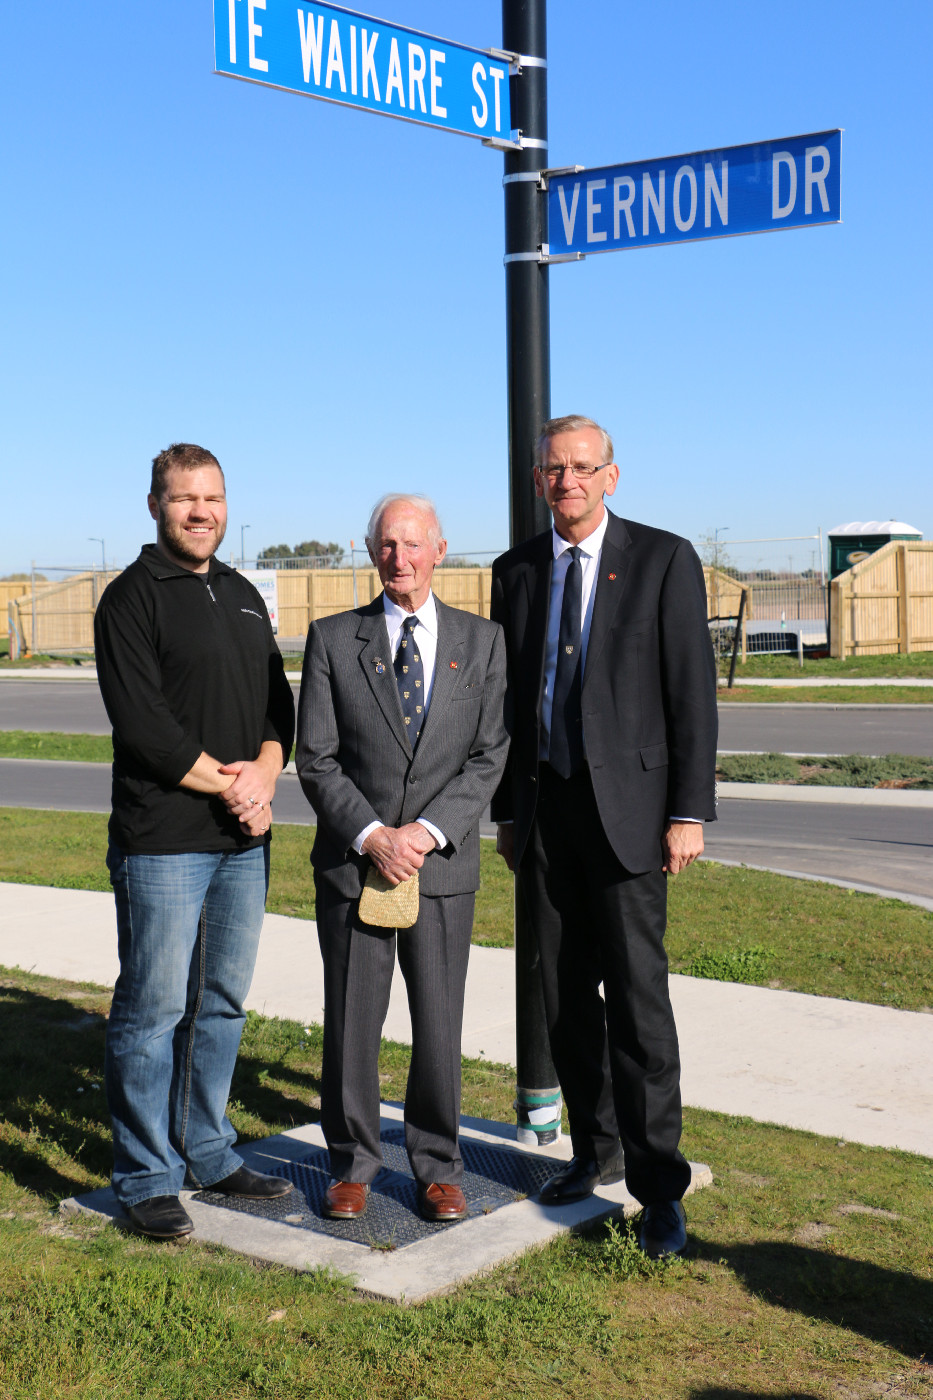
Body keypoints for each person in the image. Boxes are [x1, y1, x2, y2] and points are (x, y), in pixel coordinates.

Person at [491, 414, 717, 1258]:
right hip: (547, 820)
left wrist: (687, 811)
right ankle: (596, 1151)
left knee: (637, 1006)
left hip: (631, 821)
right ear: (538, 478)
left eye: (584, 467)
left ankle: (660, 1187)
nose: (568, 481)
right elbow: (513, 706)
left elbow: (691, 692)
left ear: (611, 477)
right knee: (563, 1002)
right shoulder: (515, 572)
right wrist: (509, 815)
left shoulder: (662, 559)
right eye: (554, 469)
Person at [94, 442, 296, 1240]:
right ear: (155, 505)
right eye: (184, 499)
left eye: (211, 498)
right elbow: (147, 730)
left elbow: (278, 710)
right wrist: (234, 785)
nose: (200, 512)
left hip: (241, 844)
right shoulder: (130, 598)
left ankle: (207, 1149)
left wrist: (267, 775)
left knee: (219, 1004)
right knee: (152, 1010)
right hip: (164, 842)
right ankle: (146, 1174)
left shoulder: (244, 594)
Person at [296, 494, 508, 1223]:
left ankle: (438, 1165)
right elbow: (316, 759)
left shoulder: (482, 642)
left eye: (413, 545)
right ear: (370, 549)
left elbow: (489, 756)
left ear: (440, 550)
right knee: (352, 1023)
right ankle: (352, 1164)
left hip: (440, 869)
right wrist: (372, 834)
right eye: (387, 545)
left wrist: (423, 833)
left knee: (439, 1025)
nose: (400, 558)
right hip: (355, 865)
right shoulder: (332, 639)